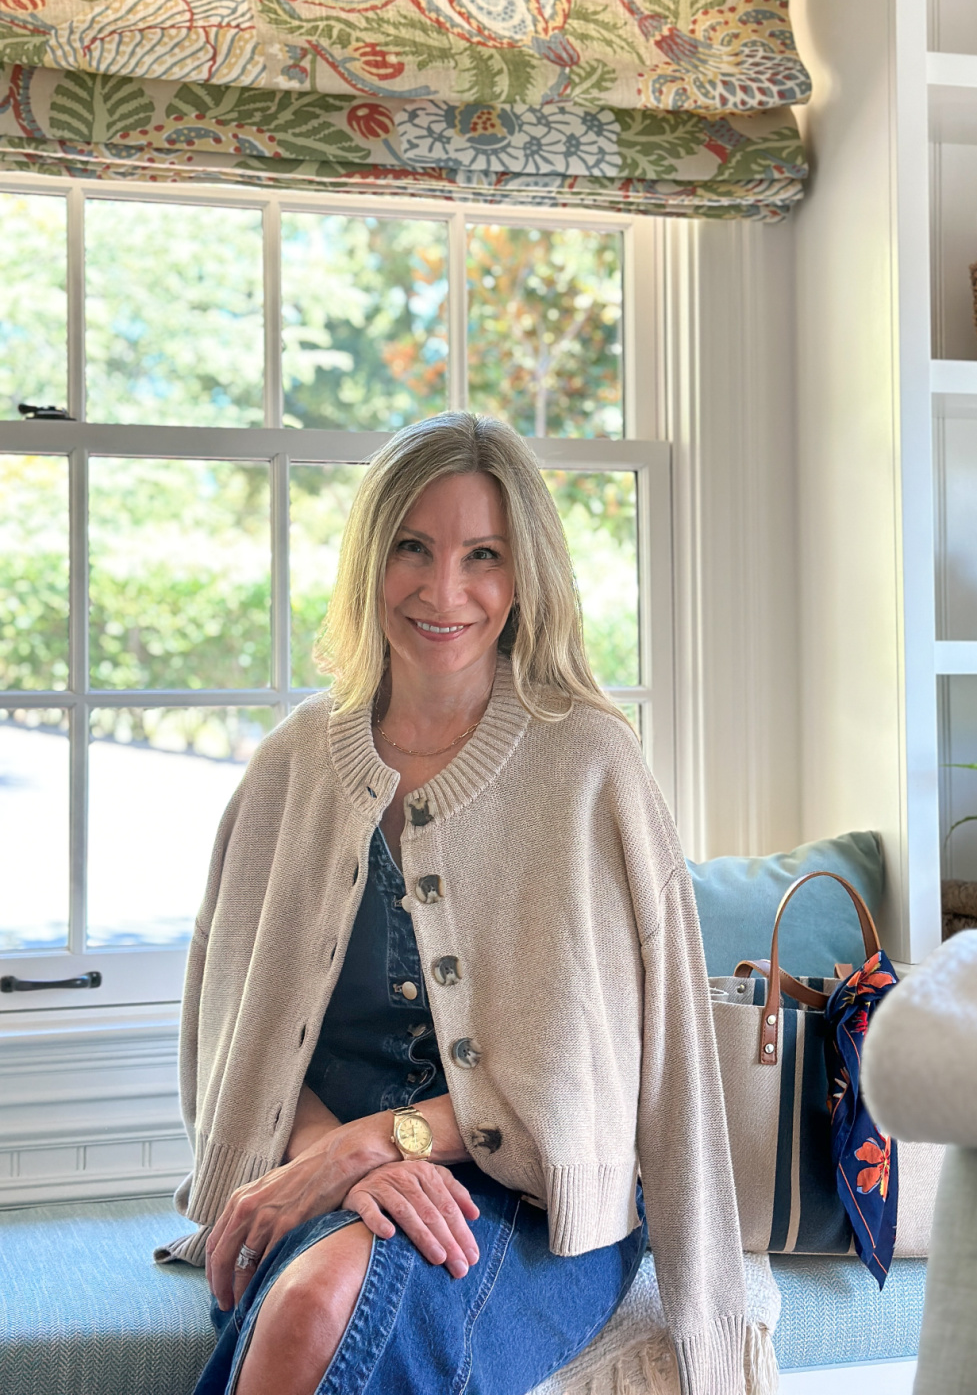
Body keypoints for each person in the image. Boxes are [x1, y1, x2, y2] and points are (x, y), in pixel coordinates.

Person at [161, 411, 748, 1395]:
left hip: (531, 1205)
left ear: (526, 577)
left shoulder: (589, 765)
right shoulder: (291, 766)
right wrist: (334, 1161)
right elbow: (234, 1031)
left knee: (317, 1307)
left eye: (484, 554)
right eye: (413, 549)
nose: (444, 591)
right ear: (370, 560)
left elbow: (624, 1066)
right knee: (313, 1297)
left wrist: (380, 1141)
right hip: (311, 1179)